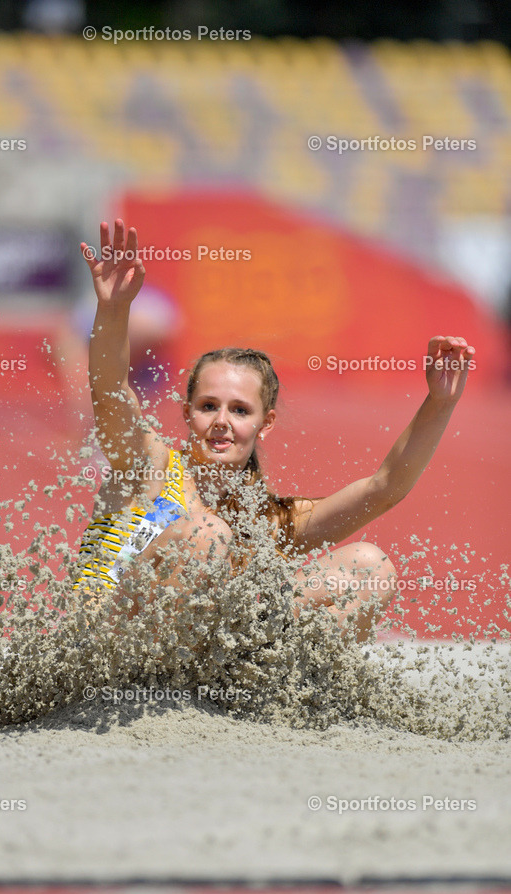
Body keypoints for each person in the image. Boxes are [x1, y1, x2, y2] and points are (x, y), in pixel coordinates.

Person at [72, 218, 475, 642]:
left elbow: (384, 487)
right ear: (188, 413)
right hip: (111, 654)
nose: (222, 420)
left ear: (265, 425)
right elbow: (110, 389)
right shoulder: (148, 464)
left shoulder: (268, 519)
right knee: (206, 535)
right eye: (208, 406)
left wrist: (440, 402)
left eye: (240, 409)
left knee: (368, 568)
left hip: (203, 661)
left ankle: (292, 692)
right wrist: (114, 310)